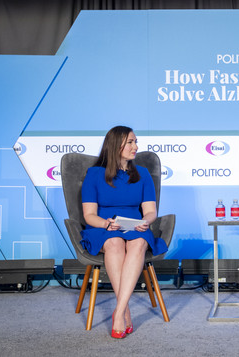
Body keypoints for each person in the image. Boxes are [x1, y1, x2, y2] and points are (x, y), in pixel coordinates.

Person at [80, 125, 168, 339]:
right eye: (130, 142)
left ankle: (118, 312)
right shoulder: (94, 174)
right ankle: (125, 310)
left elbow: (150, 211)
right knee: (114, 244)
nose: (135, 146)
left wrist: (145, 222)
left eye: (135, 141)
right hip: (105, 226)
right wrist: (105, 224)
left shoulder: (143, 174)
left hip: (136, 225)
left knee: (138, 243)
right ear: (115, 145)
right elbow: (88, 215)